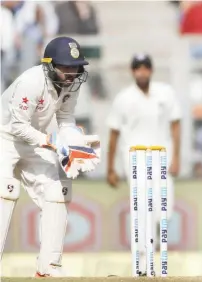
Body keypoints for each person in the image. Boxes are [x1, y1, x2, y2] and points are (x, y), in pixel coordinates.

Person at [0, 36, 100, 277]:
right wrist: (50, 141)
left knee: (58, 191)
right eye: (65, 66)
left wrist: (73, 142)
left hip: (36, 141)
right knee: (5, 190)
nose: (71, 73)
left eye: (75, 67)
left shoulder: (71, 85)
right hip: (5, 138)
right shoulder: (30, 82)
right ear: (49, 64)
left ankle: (48, 266)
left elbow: (65, 118)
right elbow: (17, 126)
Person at [106, 53, 182, 275]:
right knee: (141, 212)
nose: (142, 72)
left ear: (151, 70)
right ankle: (140, 263)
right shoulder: (123, 98)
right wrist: (110, 168)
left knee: (163, 212)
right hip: (135, 160)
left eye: (145, 67)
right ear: (132, 71)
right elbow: (113, 134)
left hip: (162, 159)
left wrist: (177, 157)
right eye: (138, 68)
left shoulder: (165, 93)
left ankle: (153, 253)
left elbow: (176, 124)